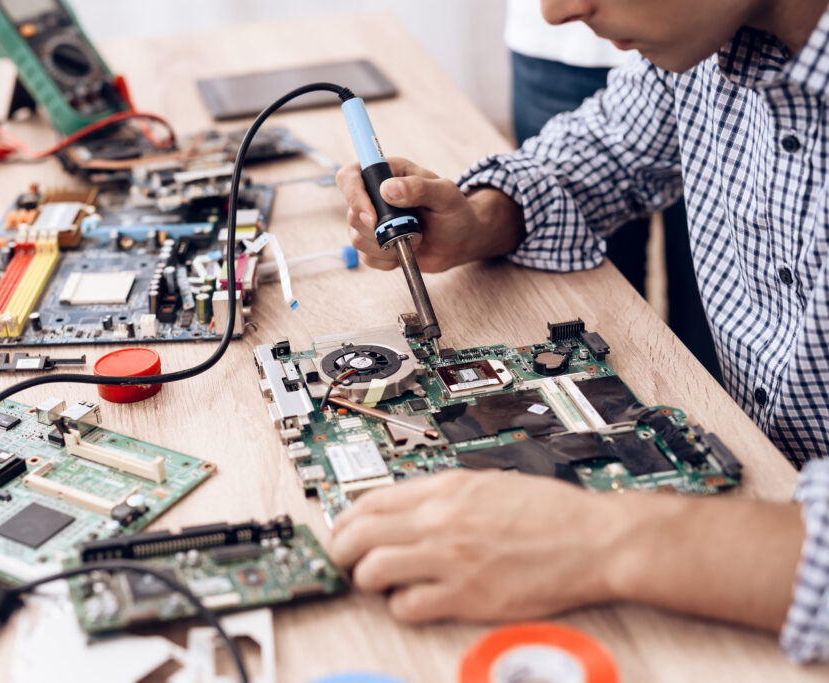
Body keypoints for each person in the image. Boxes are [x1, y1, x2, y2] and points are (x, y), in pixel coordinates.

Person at [330, 0, 829, 664]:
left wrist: (604, 538)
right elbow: (607, 151)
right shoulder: (712, 43)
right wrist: (481, 217)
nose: (557, 10)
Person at [506, 2, 723, 383]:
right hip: (560, 58)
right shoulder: (677, 73)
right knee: (608, 319)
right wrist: (488, 212)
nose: (553, 12)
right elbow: (607, 151)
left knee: (708, 320)